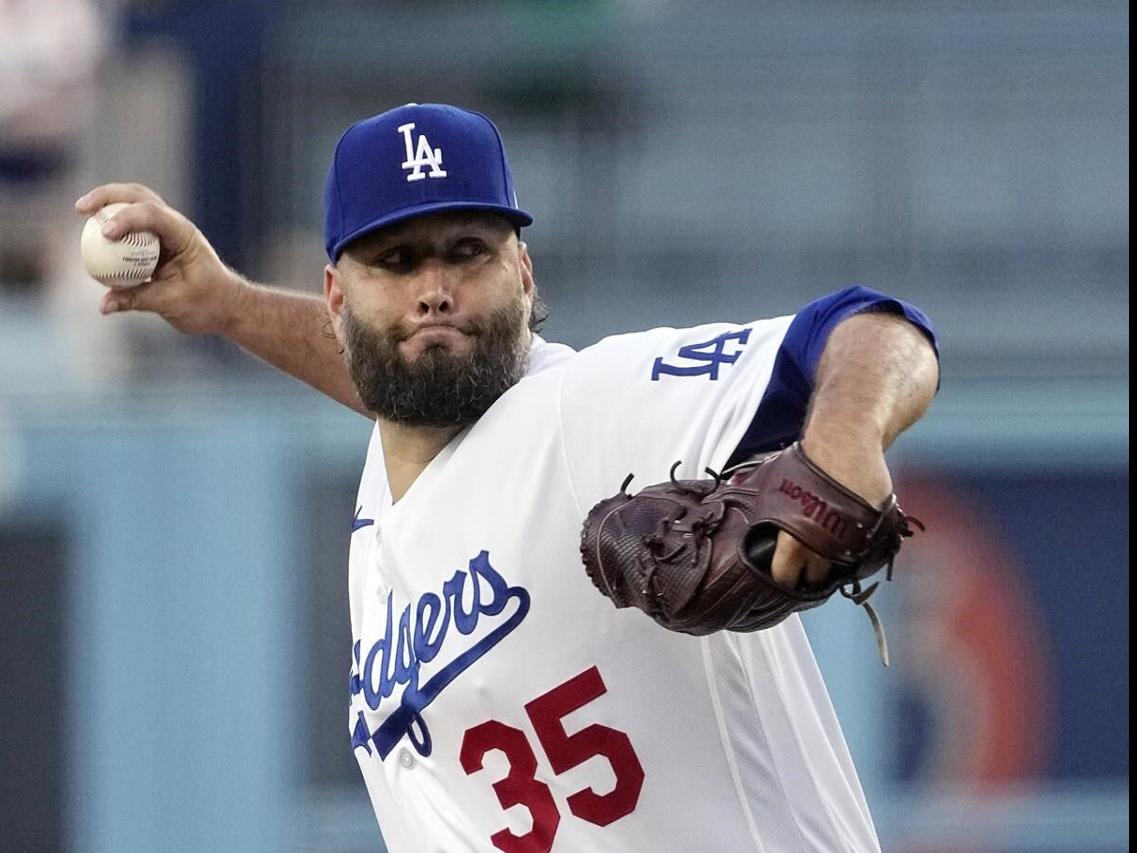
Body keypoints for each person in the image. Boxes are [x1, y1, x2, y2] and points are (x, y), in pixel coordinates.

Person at [76, 102, 939, 852]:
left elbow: (870, 330)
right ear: (337, 297)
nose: (436, 289)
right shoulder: (402, 454)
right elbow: (395, 370)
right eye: (398, 260)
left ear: (522, 276)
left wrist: (843, 438)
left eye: (467, 251)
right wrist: (226, 303)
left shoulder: (587, 411)